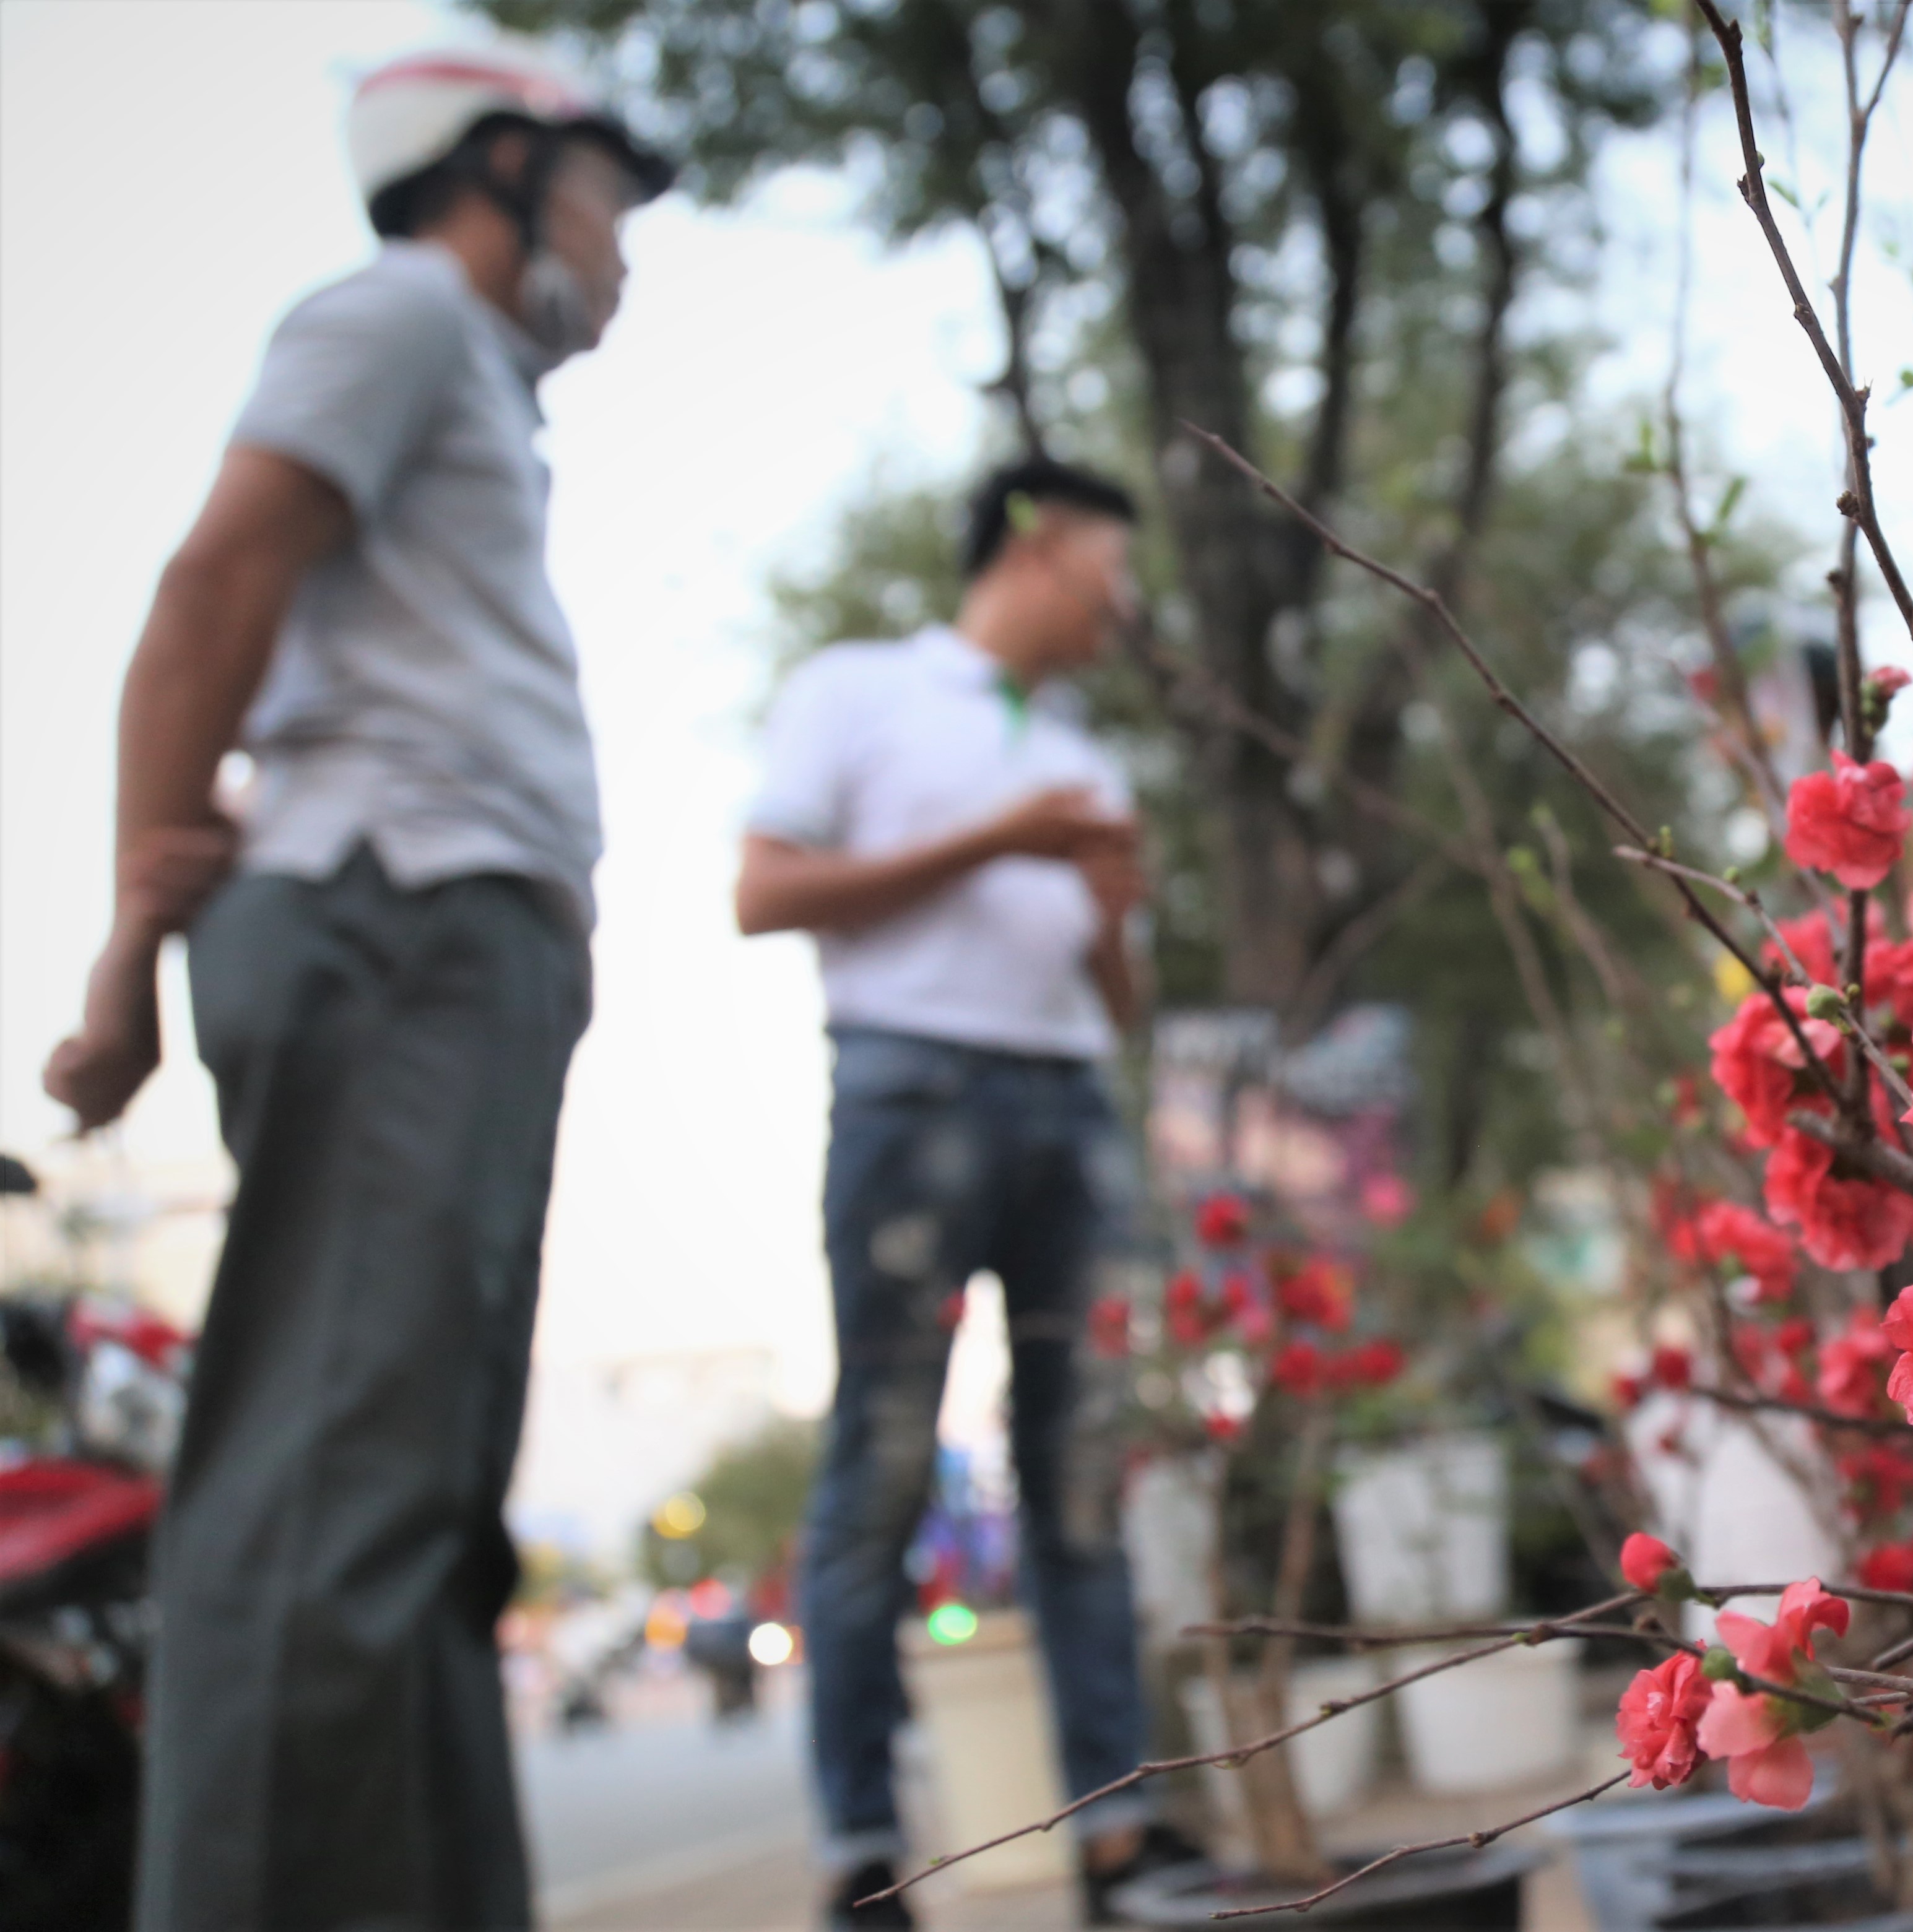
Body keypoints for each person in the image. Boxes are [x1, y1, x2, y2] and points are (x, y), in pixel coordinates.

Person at [41, 41, 670, 1929]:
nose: (621, 254)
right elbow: (212, 593)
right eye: (601, 200)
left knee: (414, 1527)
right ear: (496, 165)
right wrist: (127, 956)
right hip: (393, 927)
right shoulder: (394, 319)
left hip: (449, 945)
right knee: (324, 1502)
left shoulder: (462, 372)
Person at [737, 458, 1196, 1926]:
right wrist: (998, 842)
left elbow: (1113, 1000)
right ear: (1038, 545)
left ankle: (1117, 1834)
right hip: (909, 1086)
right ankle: (862, 1849)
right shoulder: (860, 691)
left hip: (1068, 1103)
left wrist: (1115, 922)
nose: (1123, 608)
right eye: (1110, 573)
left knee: (1080, 1484)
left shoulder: (1084, 756)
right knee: (880, 1464)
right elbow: (762, 892)